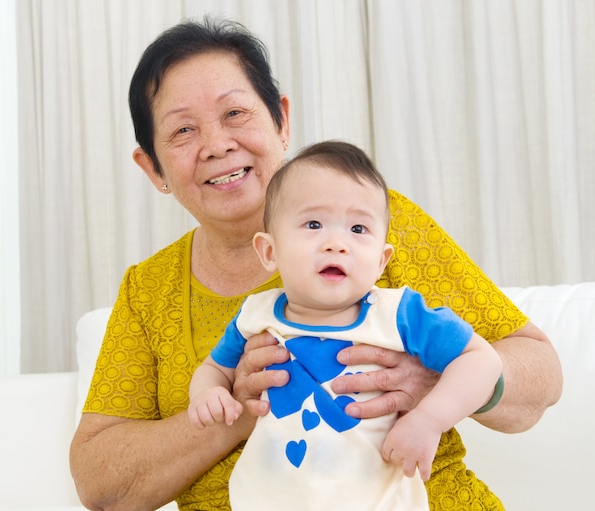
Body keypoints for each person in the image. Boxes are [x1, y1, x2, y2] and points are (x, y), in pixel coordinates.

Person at [69, 17, 562, 511]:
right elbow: (101, 486)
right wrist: (243, 407)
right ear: (152, 167)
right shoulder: (148, 290)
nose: (217, 145)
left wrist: (438, 387)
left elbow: (542, 374)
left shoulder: (373, 228)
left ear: (281, 121)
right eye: (182, 130)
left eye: (235, 113)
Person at [187, 140, 503, 511]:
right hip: (266, 499)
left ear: (381, 261)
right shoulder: (256, 315)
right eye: (314, 223)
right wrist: (207, 393)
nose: (337, 243)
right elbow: (213, 369)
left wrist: (430, 419)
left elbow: (482, 359)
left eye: (358, 228)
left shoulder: (399, 314)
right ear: (269, 251)